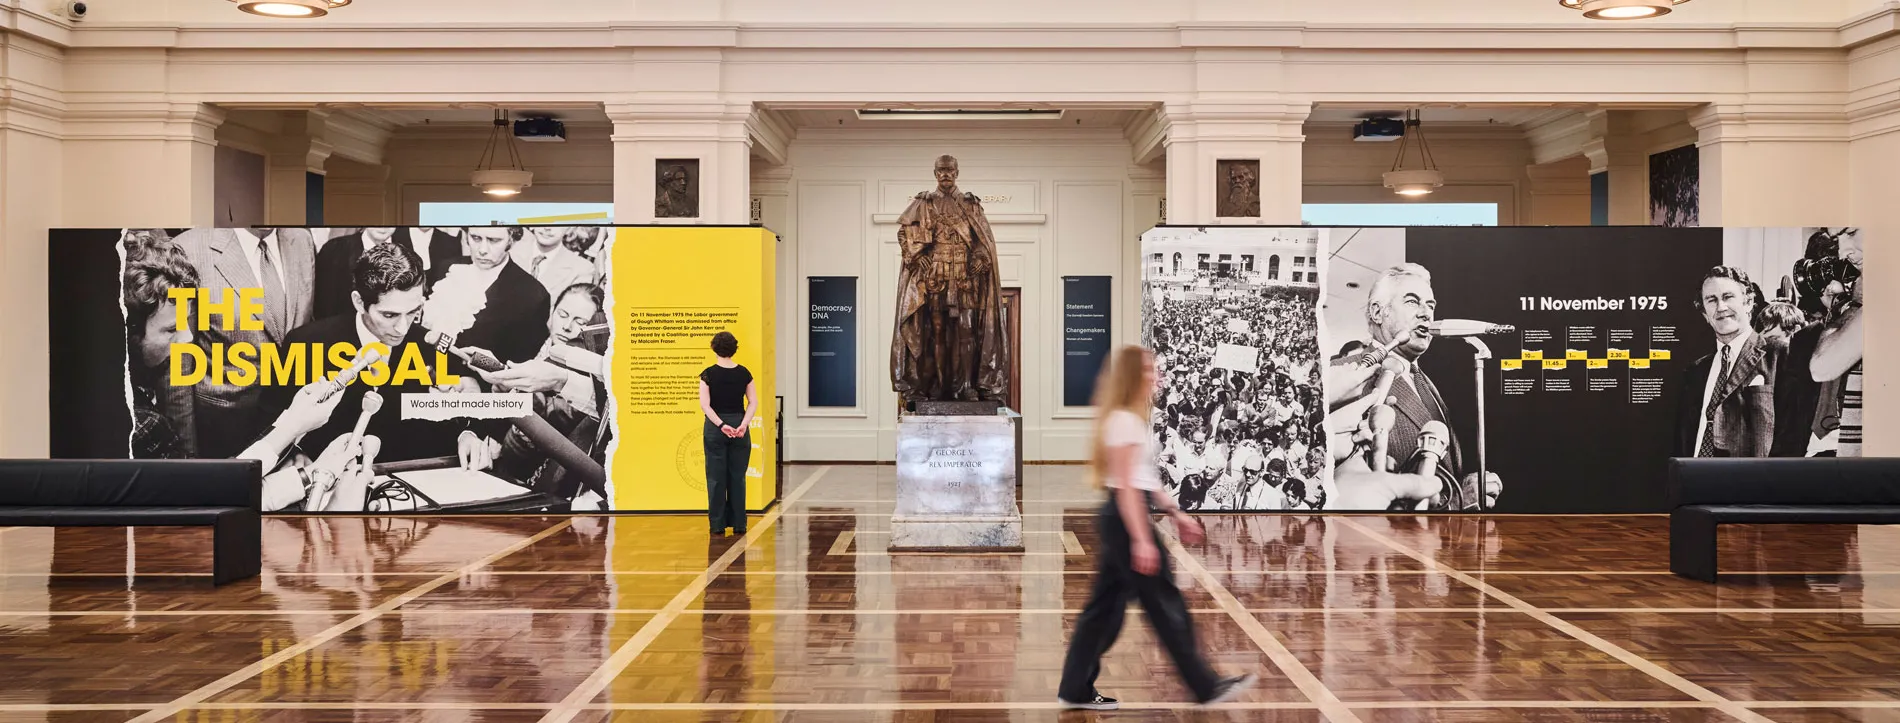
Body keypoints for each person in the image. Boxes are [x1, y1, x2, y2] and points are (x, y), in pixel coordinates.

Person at [1058, 345, 1256, 711]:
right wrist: (1141, 540)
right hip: (1125, 518)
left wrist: (1175, 512)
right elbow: (1127, 486)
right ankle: (1205, 685)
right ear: (1133, 376)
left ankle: (1075, 688)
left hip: (1122, 517)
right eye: (1149, 371)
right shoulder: (1124, 420)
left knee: (1103, 612)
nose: (1156, 376)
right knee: (1165, 604)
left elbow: (1144, 477)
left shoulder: (1130, 417)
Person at [1674, 266, 1783, 458]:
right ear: (1705, 314)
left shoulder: (1777, 355)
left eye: (1728, 297)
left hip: (1746, 481)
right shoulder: (1695, 372)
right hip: (1695, 479)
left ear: (1748, 302)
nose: (1721, 307)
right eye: (1712, 300)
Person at [698, 331, 758, 536]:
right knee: (738, 477)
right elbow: (753, 402)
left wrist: (722, 425)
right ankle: (739, 523)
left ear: (714, 348)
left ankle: (717, 524)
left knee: (715, 478)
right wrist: (743, 424)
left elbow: (705, 406)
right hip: (739, 425)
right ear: (734, 349)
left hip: (716, 428)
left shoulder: (708, 374)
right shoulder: (744, 373)